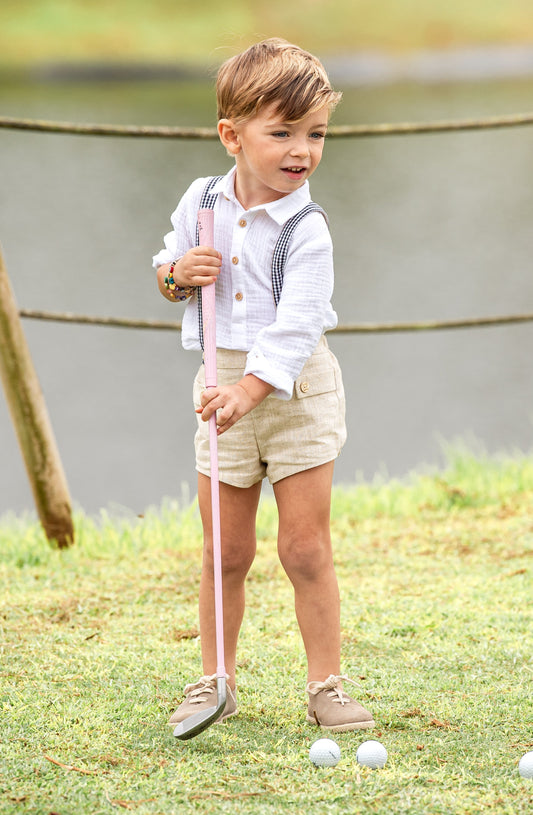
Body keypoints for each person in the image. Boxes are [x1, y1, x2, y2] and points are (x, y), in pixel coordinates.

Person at [152, 38, 375, 733]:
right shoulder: (201, 201)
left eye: (314, 134)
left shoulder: (308, 228)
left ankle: (326, 684)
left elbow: (298, 324)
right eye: (281, 132)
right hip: (219, 388)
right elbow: (165, 265)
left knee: (303, 547)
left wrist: (251, 391)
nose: (300, 151)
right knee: (225, 548)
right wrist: (174, 273)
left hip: (294, 391)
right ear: (231, 136)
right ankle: (214, 678)